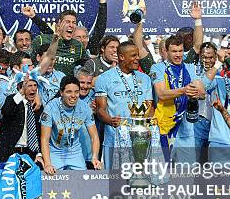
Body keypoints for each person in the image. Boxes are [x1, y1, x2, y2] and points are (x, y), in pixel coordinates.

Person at [95, 41, 154, 169]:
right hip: (114, 138)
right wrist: (110, 120)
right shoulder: (104, 79)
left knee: (140, 177)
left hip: (140, 139)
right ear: (121, 57)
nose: (137, 58)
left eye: (137, 55)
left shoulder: (145, 79)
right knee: (115, 180)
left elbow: (150, 107)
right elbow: (100, 110)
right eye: (133, 55)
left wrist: (147, 125)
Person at [151, 35, 207, 163]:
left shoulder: (189, 68)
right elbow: (161, 94)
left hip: (186, 129)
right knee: (163, 172)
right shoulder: (157, 68)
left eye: (180, 51)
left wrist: (197, 93)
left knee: (188, 173)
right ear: (166, 51)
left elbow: (202, 93)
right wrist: (184, 90)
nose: (178, 55)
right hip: (164, 128)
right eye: (174, 51)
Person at [41, 76, 101, 173]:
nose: (73, 96)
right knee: (53, 181)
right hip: (55, 152)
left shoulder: (84, 108)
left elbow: (94, 136)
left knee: (82, 181)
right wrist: (47, 163)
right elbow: (44, 139)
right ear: (61, 93)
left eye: (76, 92)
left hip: (74, 152)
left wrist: (94, 157)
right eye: (69, 92)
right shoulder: (50, 108)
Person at [0, 72, 44, 168]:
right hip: (10, 152)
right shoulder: (13, 100)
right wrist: (21, 93)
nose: (33, 88)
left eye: (35, 85)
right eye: (29, 85)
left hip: (30, 153)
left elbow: (40, 131)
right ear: (20, 88)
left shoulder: (38, 105)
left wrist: (39, 153)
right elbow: (6, 111)